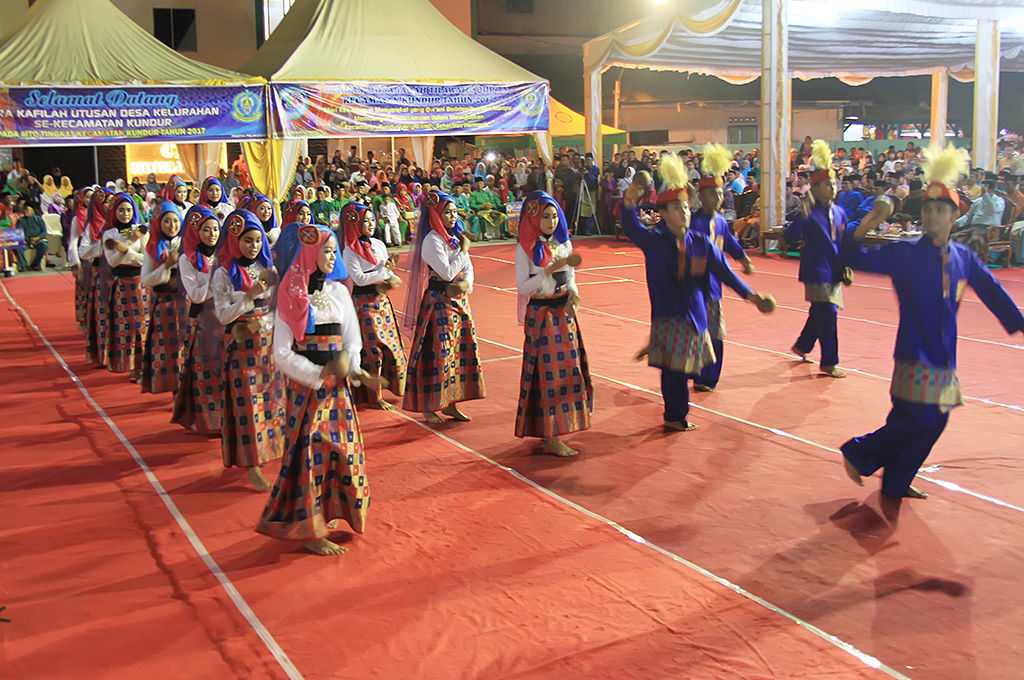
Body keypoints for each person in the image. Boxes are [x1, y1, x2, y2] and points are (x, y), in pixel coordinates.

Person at [840, 144, 1024, 511]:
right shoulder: (905, 252)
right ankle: (859, 451)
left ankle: (896, 481)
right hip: (913, 351)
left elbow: (993, 292)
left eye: (940, 209)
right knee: (920, 418)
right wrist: (869, 221)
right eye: (928, 209)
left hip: (944, 355)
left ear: (955, 215)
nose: (932, 215)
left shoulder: (963, 257)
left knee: (931, 421)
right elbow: (851, 256)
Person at [623, 155, 774, 432]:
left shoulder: (701, 243)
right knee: (674, 372)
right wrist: (630, 201)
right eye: (676, 208)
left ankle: (676, 412)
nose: (684, 213)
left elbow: (725, 272)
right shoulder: (654, 241)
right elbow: (632, 226)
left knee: (680, 370)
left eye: (685, 207)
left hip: (694, 316)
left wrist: (752, 296)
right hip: (667, 316)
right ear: (663, 213)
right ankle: (675, 416)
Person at [257, 223, 379, 556]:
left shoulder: (339, 292)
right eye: (325, 250)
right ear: (307, 254)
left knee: (343, 450)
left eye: (333, 250)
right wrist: (318, 373)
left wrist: (355, 369)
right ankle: (310, 529)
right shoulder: (291, 293)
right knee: (311, 453)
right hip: (307, 390)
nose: (331, 256)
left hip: (338, 390)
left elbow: (352, 341)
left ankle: (330, 512)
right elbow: (282, 353)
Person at [514, 191, 593, 457]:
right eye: (545, 217)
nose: (551, 221)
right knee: (547, 374)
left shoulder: (563, 244)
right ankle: (551, 436)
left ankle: (556, 430)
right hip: (541, 315)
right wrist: (546, 272)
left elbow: (570, 278)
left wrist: (574, 295)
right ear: (534, 219)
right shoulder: (525, 248)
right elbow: (523, 287)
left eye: (554, 216)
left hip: (563, 314)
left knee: (568, 371)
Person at [213, 210, 285, 489]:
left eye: (257, 240)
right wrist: (249, 297)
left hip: (267, 344)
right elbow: (223, 315)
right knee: (246, 402)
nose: (253, 246)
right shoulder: (223, 273)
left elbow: (276, 308)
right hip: (240, 344)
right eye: (247, 240)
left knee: (270, 401)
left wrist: (263, 323)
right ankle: (251, 462)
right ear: (234, 241)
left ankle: (270, 450)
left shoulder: (269, 270)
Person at [402, 191, 485, 424]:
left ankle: (451, 402)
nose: (452, 216)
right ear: (436, 215)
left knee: (457, 353)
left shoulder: (454, 237)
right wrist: (464, 251)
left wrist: (467, 284)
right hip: (438, 303)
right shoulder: (432, 240)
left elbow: (467, 268)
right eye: (447, 212)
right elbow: (446, 272)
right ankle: (429, 406)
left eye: (454, 212)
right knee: (438, 354)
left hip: (459, 301)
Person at [690, 144, 755, 392]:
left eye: (720, 193)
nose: (718, 197)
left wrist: (743, 259)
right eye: (712, 193)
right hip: (694, 287)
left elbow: (730, 242)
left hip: (714, 288)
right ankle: (696, 373)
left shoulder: (720, 221)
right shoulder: (693, 222)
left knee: (716, 334)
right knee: (698, 332)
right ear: (701, 196)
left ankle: (709, 377)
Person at [784, 140, 850, 378]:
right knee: (828, 314)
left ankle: (803, 345)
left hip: (834, 271)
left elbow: (843, 244)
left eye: (834, 183)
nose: (832, 187)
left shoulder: (840, 213)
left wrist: (846, 266)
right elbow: (790, 237)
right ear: (815, 187)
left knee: (820, 311)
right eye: (827, 184)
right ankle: (829, 362)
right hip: (816, 270)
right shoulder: (808, 214)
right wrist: (800, 217)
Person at [340, 202, 408, 410]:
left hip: (382, 301)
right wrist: (385, 272)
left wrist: (391, 276)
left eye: (372, 220)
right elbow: (359, 279)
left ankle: (394, 386)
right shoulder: (350, 250)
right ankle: (373, 396)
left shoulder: (378, 244)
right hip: (363, 304)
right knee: (372, 351)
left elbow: (385, 270)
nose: (370, 224)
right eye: (365, 221)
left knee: (392, 346)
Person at [172, 206, 224, 436]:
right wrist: (217, 278)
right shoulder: (187, 259)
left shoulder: (225, 255)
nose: (212, 234)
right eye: (206, 230)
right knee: (205, 369)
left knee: (224, 369)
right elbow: (196, 295)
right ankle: (208, 421)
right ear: (196, 232)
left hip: (223, 318)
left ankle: (226, 420)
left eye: (215, 229)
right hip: (203, 319)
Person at [139, 202, 187, 394]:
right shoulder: (152, 246)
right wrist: (166, 267)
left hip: (185, 303)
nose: (172, 225)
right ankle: (171, 385)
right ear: (159, 223)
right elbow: (146, 280)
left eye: (175, 221)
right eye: (167, 221)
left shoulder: (187, 244)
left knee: (187, 346)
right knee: (168, 348)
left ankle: (184, 390)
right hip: (164, 305)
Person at [102, 193, 148, 376]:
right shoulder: (109, 234)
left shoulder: (141, 231)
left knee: (141, 325)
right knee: (124, 325)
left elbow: (146, 260)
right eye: (121, 210)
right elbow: (112, 262)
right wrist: (130, 245)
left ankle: (141, 367)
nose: (125, 214)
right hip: (121, 285)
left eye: (128, 210)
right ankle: (127, 365)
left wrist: (124, 250)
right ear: (114, 211)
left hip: (140, 284)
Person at [14, 204, 48, 272]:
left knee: (44, 246)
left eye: (28, 210)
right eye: (25, 210)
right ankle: (24, 265)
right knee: (18, 247)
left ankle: (35, 264)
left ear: (32, 211)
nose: (26, 211)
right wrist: (27, 239)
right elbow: (18, 233)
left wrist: (38, 238)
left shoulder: (38, 219)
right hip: (26, 241)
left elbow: (44, 232)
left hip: (38, 240)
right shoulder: (20, 220)